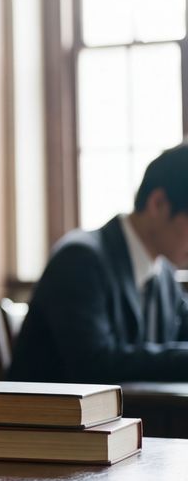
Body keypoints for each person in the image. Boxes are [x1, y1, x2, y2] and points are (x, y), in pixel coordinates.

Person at [10, 143, 188, 383]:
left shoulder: (163, 273)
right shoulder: (79, 260)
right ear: (158, 204)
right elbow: (95, 365)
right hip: (49, 418)